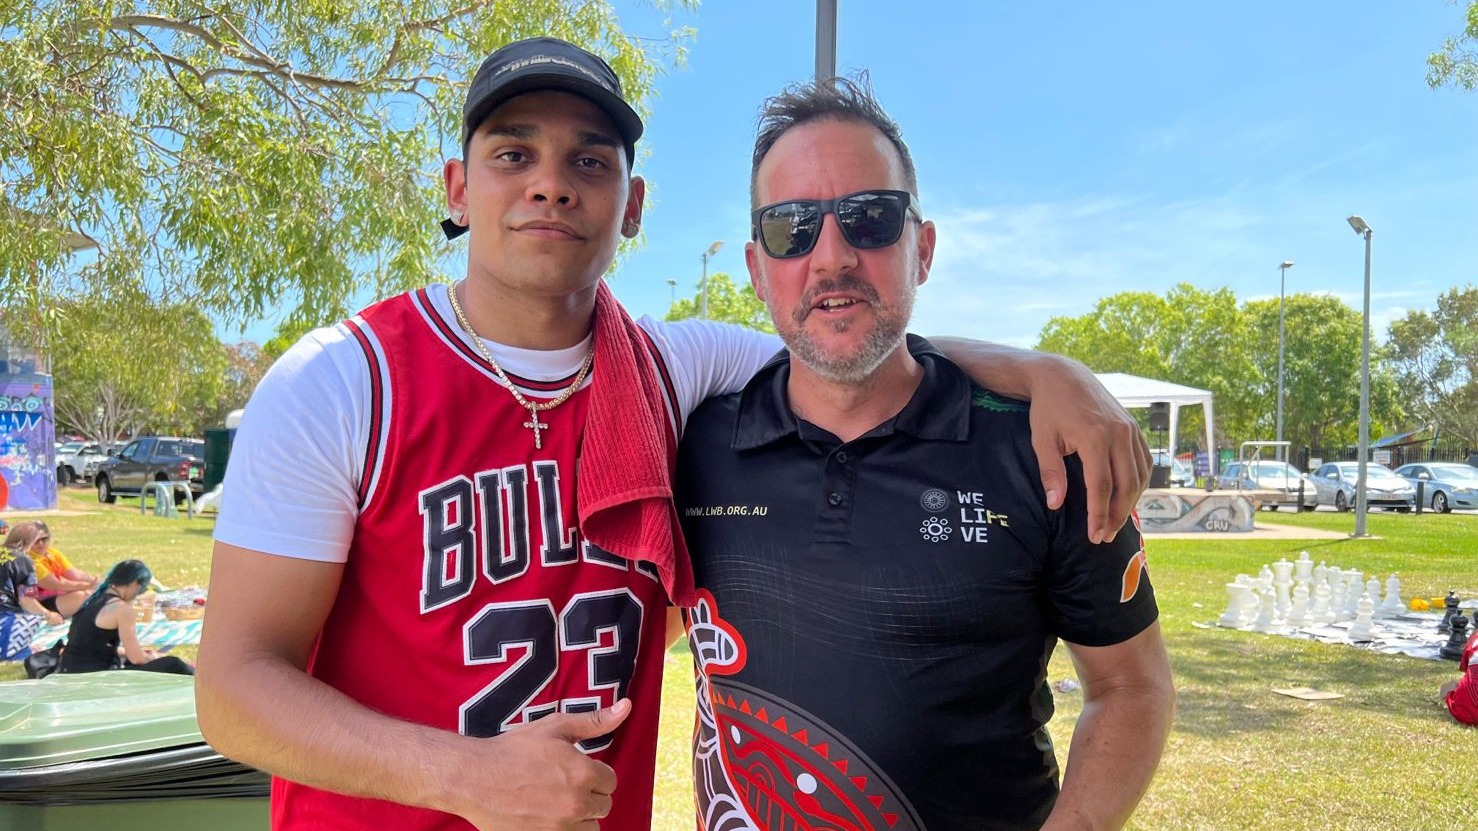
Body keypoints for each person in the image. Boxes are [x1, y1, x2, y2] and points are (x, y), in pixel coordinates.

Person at [195, 37, 1148, 831]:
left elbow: (841, 333)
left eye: (590, 162)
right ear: (456, 187)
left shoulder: (671, 371)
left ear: (633, 206)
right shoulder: (341, 378)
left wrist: (1049, 374)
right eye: (513, 153)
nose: (552, 186)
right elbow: (232, 688)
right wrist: (460, 775)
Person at [675, 76, 1176, 831]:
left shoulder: (1042, 453)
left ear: (924, 247)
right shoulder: (694, 445)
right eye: (791, 228)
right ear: (755, 269)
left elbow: (1130, 686)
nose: (831, 256)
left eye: (869, 218)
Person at [57, 559, 193, 676]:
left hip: (69, 667)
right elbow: (137, 659)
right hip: (96, 675)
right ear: (135, 583)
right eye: (142, 589)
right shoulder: (122, 609)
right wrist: (153, 657)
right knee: (174, 664)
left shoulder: (92, 599)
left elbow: (90, 644)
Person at [1, 521, 63, 659]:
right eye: (37, 540)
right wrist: (48, 615)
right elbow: (26, 599)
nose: (41, 544)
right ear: (29, 541)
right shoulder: (23, 561)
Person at [29, 520, 98, 618]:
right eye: (35, 540)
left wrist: (98, 583)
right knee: (84, 596)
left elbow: (75, 575)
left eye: (44, 539)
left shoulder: (52, 553)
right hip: (36, 605)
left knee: (94, 593)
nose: (40, 543)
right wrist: (87, 586)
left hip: (56, 597)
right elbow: (56, 585)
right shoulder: (30, 560)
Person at [1441, 626, 1478, 726]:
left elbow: (1464, 668)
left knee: (1452, 685)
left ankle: (1446, 692)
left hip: (1465, 713)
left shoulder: (1475, 637)